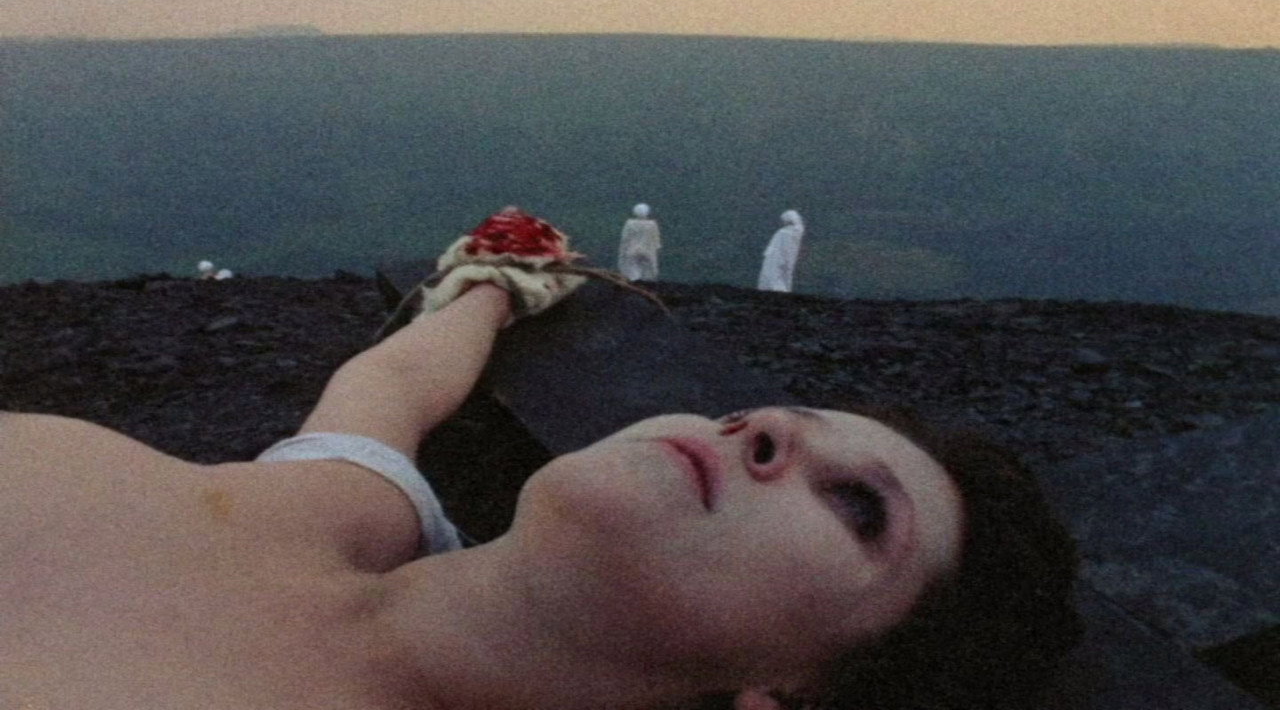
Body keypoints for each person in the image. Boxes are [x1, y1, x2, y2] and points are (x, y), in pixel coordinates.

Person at [0, 209, 1080, 710]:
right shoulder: (347, 501)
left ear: (791, 691)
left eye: (856, 507)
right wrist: (498, 280)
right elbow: (394, 385)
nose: (766, 431)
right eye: (762, 415)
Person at [757, 209, 805, 293]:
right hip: (784, 260)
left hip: (777, 260)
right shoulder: (795, 233)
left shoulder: (783, 233)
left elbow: (776, 249)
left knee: (774, 277)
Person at [617, 202, 662, 281]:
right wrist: (656, 247)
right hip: (648, 251)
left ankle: (634, 282)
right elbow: (656, 239)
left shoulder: (629, 224)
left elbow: (625, 238)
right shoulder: (652, 224)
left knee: (633, 272)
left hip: (632, 250)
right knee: (647, 273)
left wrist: (623, 250)